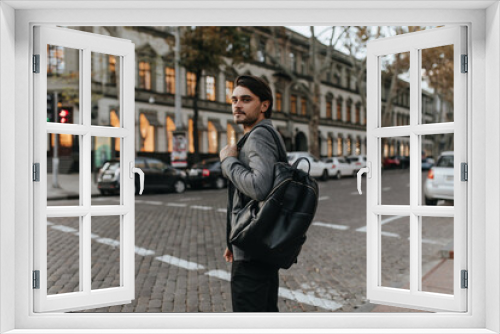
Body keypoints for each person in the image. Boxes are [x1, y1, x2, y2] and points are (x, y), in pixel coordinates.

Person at [220, 75, 286, 312]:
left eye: (246, 99)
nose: (237, 105)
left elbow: (259, 188)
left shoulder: (258, 135)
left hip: (253, 251)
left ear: (264, 105)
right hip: (258, 244)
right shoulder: (264, 133)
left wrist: (228, 162)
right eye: (234, 99)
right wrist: (232, 239)